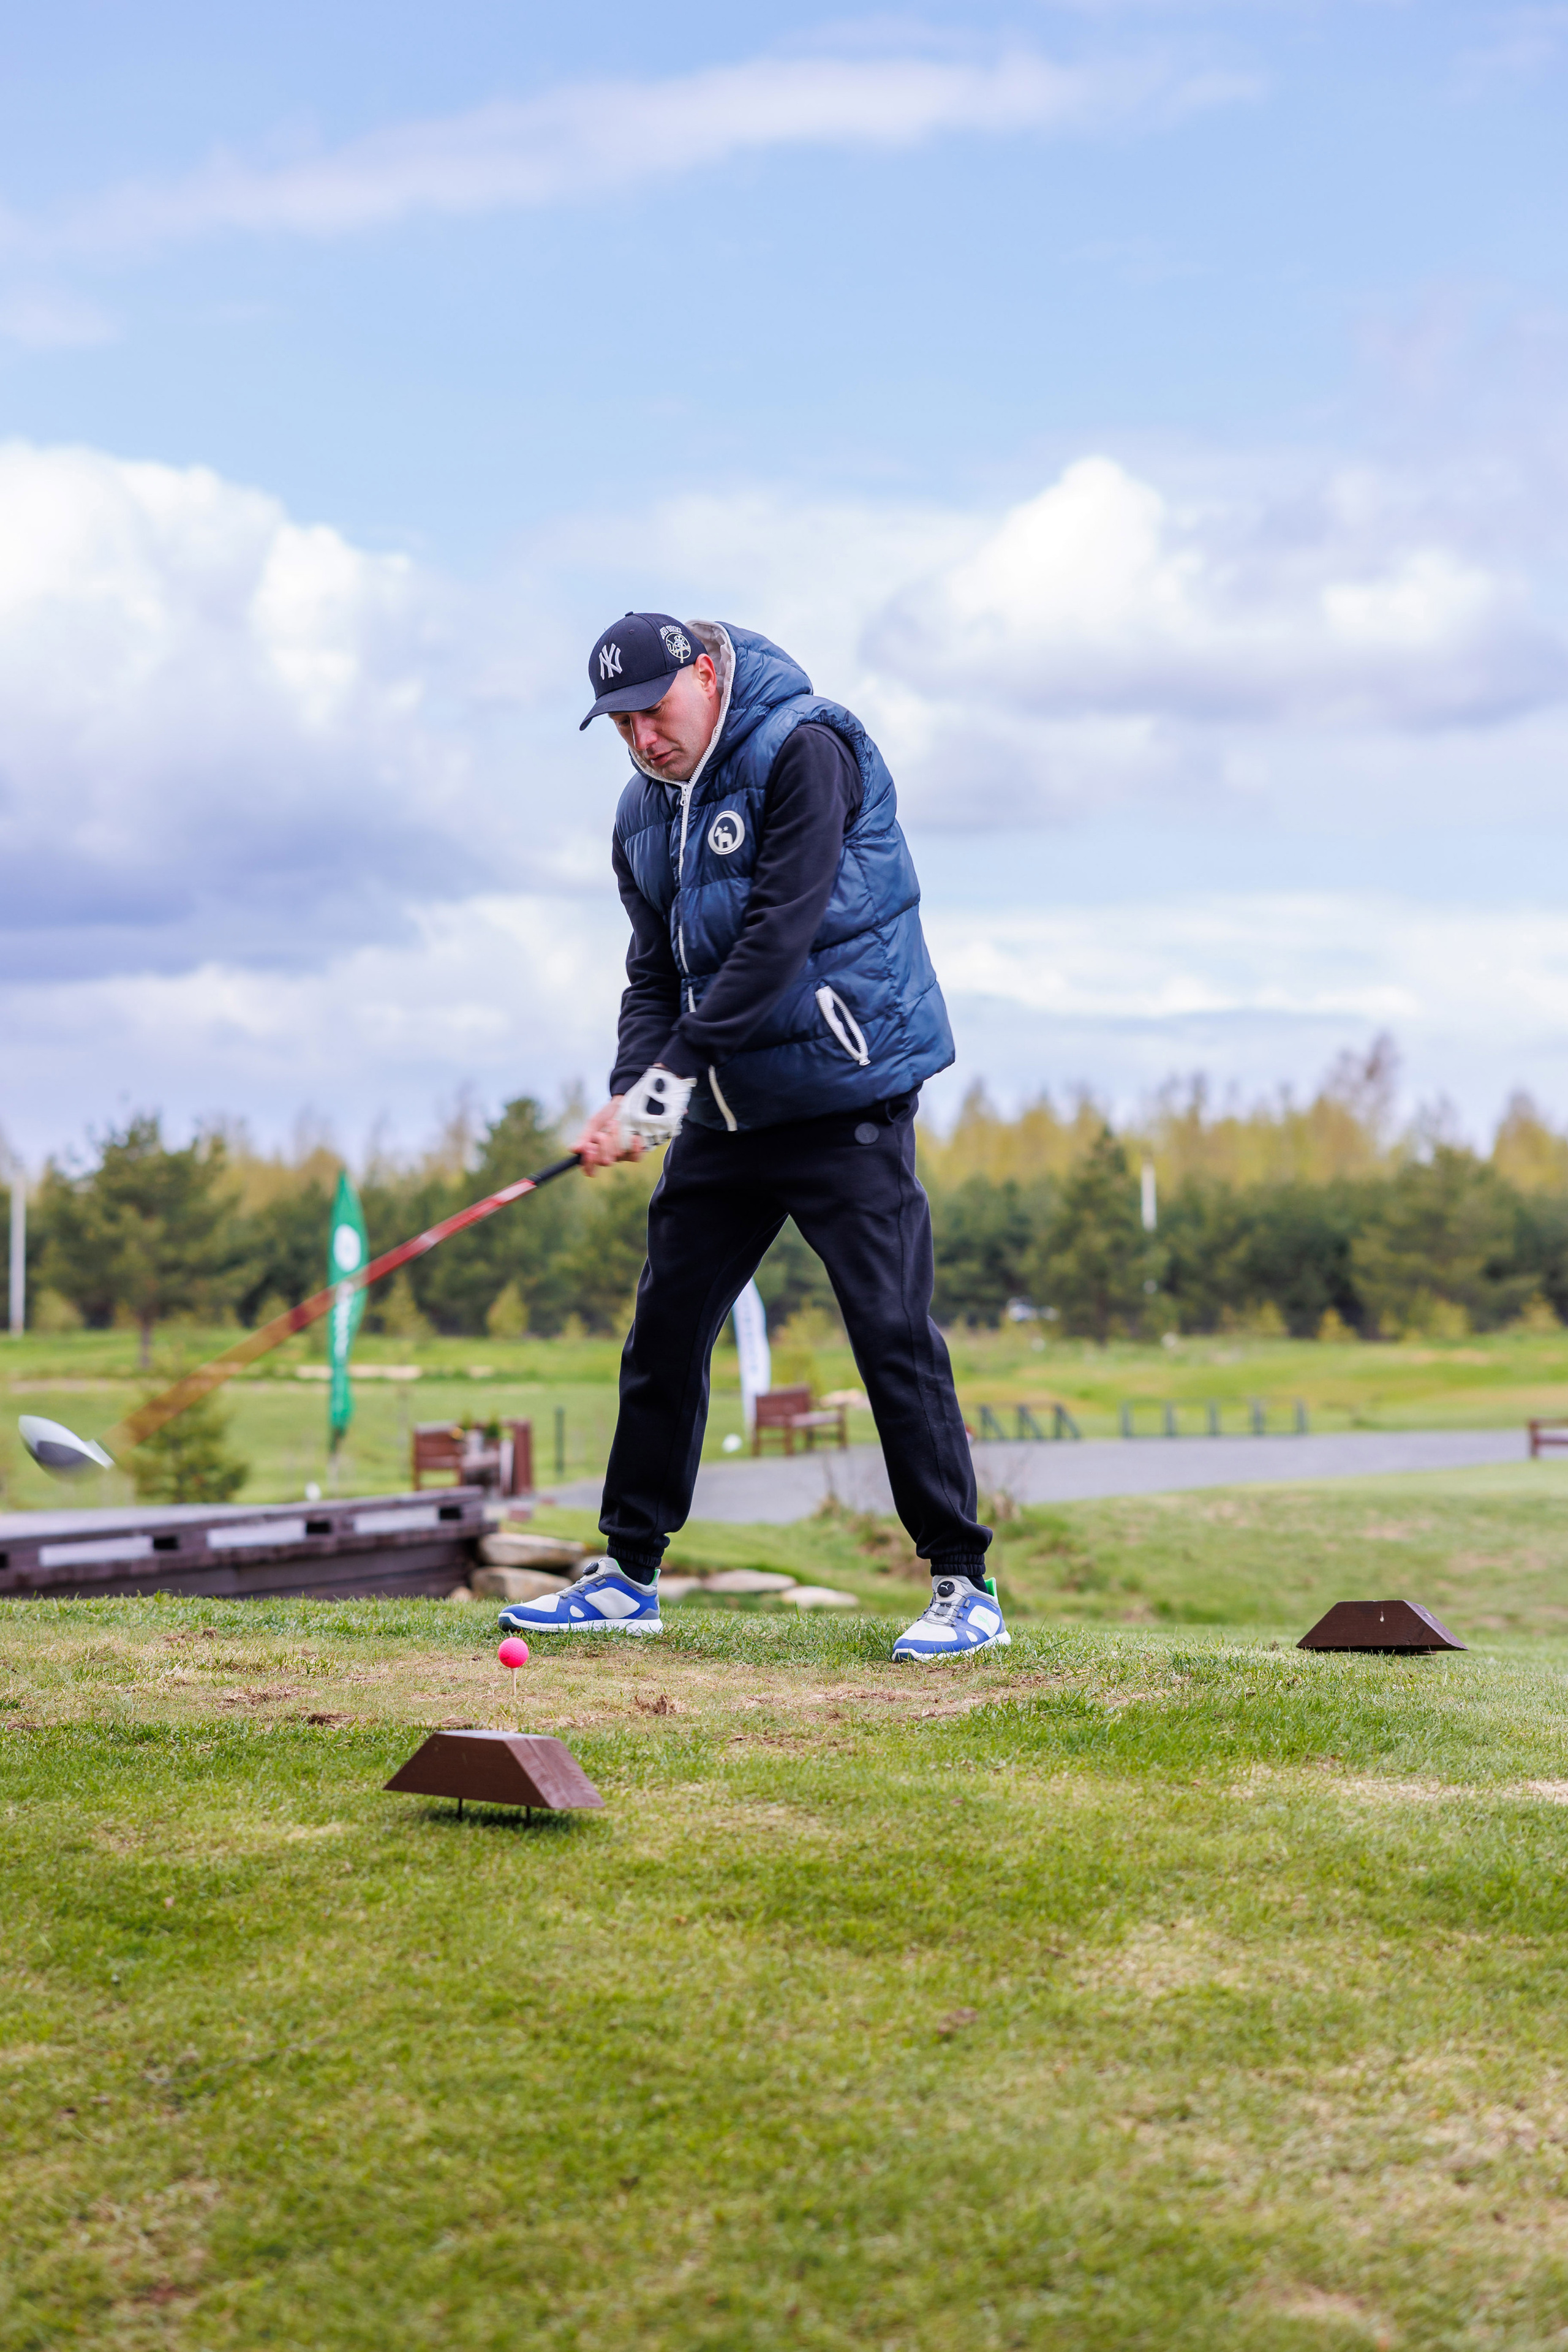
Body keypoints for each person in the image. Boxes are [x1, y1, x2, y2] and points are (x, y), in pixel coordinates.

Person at [498, 613, 1005, 1662]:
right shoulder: (643, 813)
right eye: (621, 726)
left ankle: (966, 1584)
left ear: (703, 672)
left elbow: (780, 936)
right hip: (726, 1115)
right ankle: (627, 1578)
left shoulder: (807, 747)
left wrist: (672, 1074)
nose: (643, 740)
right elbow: (653, 973)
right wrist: (634, 1090)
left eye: (653, 712)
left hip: (843, 1095)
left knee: (890, 1332)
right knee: (665, 1331)